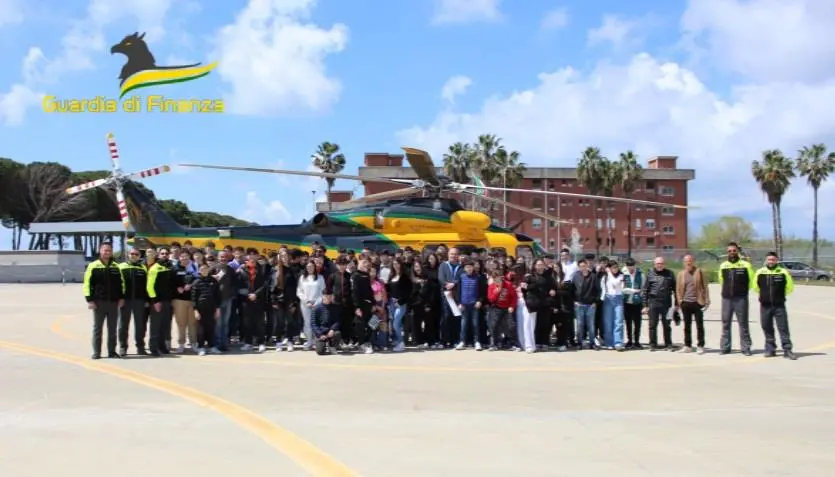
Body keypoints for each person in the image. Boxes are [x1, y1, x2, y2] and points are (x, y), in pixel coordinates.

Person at [82, 242, 125, 359]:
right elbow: (87, 284)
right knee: (97, 328)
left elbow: (121, 284)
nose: (107, 252)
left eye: (109, 250)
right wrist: (89, 300)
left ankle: (112, 351)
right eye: (105, 250)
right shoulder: (93, 266)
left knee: (112, 329)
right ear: (100, 251)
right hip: (98, 302)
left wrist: (121, 298)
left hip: (113, 302)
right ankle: (97, 352)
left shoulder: (116, 266)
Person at [753, 252, 797, 360]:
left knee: (783, 328)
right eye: (769, 259)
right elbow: (755, 287)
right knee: (767, 327)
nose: (771, 261)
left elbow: (790, 287)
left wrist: (779, 296)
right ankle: (770, 349)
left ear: (777, 260)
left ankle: (787, 350)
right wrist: (765, 296)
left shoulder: (783, 272)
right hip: (765, 305)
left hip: (779, 305)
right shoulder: (760, 272)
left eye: (773, 260)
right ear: (766, 260)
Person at [718, 241, 755, 355]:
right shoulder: (723, 265)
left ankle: (746, 348)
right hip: (727, 299)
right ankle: (725, 347)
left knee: (743, 323)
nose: (732, 253)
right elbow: (721, 280)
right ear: (727, 252)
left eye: (734, 251)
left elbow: (751, 281)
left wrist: (742, 291)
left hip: (741, 299)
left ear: (737, 251)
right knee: (725, 323)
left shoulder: (745, 265)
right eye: (729, 251)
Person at [641, 257, 678, 351]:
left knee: (667, 324)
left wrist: (677, 304)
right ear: (654, 264)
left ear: (664, 264)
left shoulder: (670, 274)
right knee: (652, 325)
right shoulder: (650, 274)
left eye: (661, 263)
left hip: (667, 303)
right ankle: (653, 344)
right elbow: (645, 291)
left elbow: (676, 290)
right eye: (657, 263)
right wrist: (645, 305)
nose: (659, 265)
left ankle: (668, 344)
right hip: (653, 302)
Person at [676, 255, 710, 354]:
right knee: (687, 325)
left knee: (699, 325)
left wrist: (706, 300)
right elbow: (678, 289)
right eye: (686, 261)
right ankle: (688, 346)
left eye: (690, 261)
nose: (688, 263)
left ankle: (700, 345)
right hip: (685, 303)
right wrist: (680, 301)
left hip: (697, 302)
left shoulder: (699, 272)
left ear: (693, 262)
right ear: (683, 262)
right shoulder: (681, 274)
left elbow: (705, 287)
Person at [118, 247, 148, 355]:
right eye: (132, 253)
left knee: (140, 325)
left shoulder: (143, 268)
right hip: (125, 300)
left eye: (136, 254)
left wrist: (146, 299)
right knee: (123, 325)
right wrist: (119, 298)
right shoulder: (120, 267)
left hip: (139, 301)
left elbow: (146, 285)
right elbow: (117, 284)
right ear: (128, 254)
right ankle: (123, 347)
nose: (134, 255)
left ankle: (140, 347)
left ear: (140, 256)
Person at [238, 255, 270, 352]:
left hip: (258, 300)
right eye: (249, 260)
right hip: (246, 301)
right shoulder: (242, 272)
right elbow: (239, 287)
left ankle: (261, 342)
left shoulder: (261, 271)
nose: (251, 261)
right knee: (247, 323)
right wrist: (248, 294)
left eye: (253, 260)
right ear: (246, 262)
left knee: (259, 322)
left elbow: (264, 285)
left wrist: (255, 294)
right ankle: (248, 343)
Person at [146, 247, 174, 356]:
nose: (164, 255)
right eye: (162, 253)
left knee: (165, 325)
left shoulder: (169, 267)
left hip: (168, 301)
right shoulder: (154, 268)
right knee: (155, 326)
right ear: (158, 255)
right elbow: (149, 287)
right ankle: (153, 348)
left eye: (166, 253)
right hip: (157, 302)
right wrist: (155, 301)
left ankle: (162, 347)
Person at [454, 259, 486, 351]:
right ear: (464, 268)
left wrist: (480, 301)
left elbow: (482, 291)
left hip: (474, 304)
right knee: (463, 324)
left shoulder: (478, 277)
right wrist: (459, 303)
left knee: (475, 324)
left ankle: (477, 342)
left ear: (473, 268)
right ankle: (462, 341)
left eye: (470, 267)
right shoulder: (461, 277)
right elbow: (458, 291)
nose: (469, 269)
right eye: (467, 267)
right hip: (464, 305)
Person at [171, 250, 198, 353]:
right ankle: (181, 344)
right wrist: (177, 288)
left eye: (186, 256)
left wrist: (191, 285)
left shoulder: (194, 268)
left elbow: (197, 279)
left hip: (191, 300)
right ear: (179, 258)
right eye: (182, 256)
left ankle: (194, 344)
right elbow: (171, 282)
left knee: (192, 323)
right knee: (181, 323)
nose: (184, 258)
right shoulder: (175, 269)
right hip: (179, 300)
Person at [191, 264, 221, 355]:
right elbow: (193, 298)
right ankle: (200, 347)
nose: (204, 270)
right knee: (200, 330)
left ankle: (212, 346)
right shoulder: (196, 282)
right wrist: (195, 311)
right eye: (202, 269)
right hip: (200, 310)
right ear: (199, 271)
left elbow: (218, 296)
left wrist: (218, 309)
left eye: (206, 269)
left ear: (208, 270)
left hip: (211, 309)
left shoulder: (213, 281)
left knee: (211, 329)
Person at [486, 267, 518, 351]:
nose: (497, 281)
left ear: (501, 278)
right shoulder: (491, 286)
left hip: (507, 308)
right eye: (495, 280)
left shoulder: (508, 285)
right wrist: (497, 291)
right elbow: (491, 299)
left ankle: (513, 344)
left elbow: (514, 297)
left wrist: (512, 306)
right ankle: (494, 344)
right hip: (497, 308)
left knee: (511, 326)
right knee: (494, 326)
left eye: (498, 279)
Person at [438, 247, 465, 348]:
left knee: (456, 318)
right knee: (445, 318)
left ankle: (455, 340)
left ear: (458, 255)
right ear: (448, 255)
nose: (453, 256)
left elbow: (461, 278)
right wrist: (446, 285)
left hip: (457, 296)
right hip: (446, 295)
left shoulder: (461, 267)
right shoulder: (443, 265)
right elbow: (440, 278)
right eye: (451, 254)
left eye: (455, 254)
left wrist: (454, 284)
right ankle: (444, 340)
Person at [297, 261, 326, 351]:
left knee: (316, 323)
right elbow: (299, 291)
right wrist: (307, 301)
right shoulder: (302, 278)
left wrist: (316, 303)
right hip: (305, 304)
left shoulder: (320, 277)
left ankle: (315, 342)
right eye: (308, 266)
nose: (310, 268)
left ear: (314, 267)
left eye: (311, 266)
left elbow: (323, 291)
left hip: (317, 304)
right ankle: (309, 341)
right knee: (307, 323)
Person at [572, 259, 600, 350]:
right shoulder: (576, 276)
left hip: (590, 305)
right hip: (579, 304)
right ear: (578, 267)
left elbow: (598, 290)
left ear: (587, 265)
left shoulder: (593, 276)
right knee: (579, 325)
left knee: (591, 325)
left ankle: (592, 343)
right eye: (581, 266)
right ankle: (579, 343)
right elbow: (572, 289)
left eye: (584, 266)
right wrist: (574, 301)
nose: (582, 268)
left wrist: (595, 302)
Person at [600, 259, 626, 351]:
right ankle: (609, 342)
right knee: (608, 322)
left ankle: (618, 342)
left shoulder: (621, 275)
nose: (615, 269)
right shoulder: (605, 277)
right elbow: (603, 287)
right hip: (608, 298)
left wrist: (609, 273)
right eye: (613, 267)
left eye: (616, 267)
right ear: (609, 268)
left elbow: (615, 284)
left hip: (618, 298)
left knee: (618, 321)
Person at [351, 259, 376, 354]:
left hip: (369, 305)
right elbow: (354, 292)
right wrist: (357, 307)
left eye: (367, 263)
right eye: (363, 263)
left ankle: (367, 341)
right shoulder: (355, 275)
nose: (366, 265)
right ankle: (361, 344)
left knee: (374, 323)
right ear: (359, 264)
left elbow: (370, 291)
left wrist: (373, 303)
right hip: (360, 305)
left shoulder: (366, 275)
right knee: (360, 325)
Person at [311, 289, 342, 355]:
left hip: (330, 331)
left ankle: (332, 346)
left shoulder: (335, 307)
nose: (328, 298)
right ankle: (322, 344)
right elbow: (313, 324)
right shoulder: (316, 308)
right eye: (326, 296)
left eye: (330, 296)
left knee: (337, 333)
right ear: (322, 296)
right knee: (320, 352)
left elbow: (337, 321)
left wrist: (332, 329)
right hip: (321, 332)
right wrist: (320, 334)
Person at [622, 258, 644, 349]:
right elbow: (622, 289)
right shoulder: (623, 274)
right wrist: (633, 291)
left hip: (637, 302)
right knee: (628, 322)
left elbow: (642, 289)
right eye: (629, 267)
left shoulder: (640, 274)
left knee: (637, 323)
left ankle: (637, 341)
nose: (631, 269)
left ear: (635, 266)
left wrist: (640, 297)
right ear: (626, 266)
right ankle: (630, 340)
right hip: (627, 302)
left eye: (632, 266)